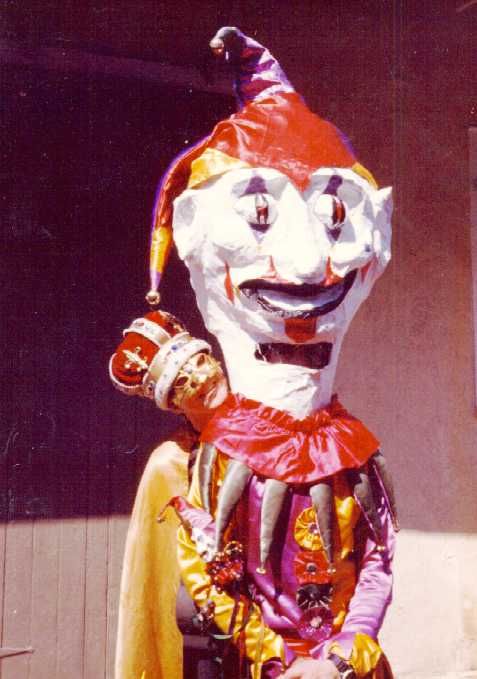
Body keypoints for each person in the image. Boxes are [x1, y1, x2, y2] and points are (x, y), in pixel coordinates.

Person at [143, 27, 398, 679]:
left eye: (335, 220)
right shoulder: (214, 458)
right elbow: (207, 576)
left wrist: (343, 653)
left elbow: (377, 561)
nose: (308, 264)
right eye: (259, 214)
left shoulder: (353, 451)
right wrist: (277, 661)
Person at [109, 310, 228, 679]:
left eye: (202, 362)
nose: (203, 379)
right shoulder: (169, 465)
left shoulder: (268, 434)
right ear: (174, 402)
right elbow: (154, 586)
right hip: (207, 632)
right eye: (183, 380)